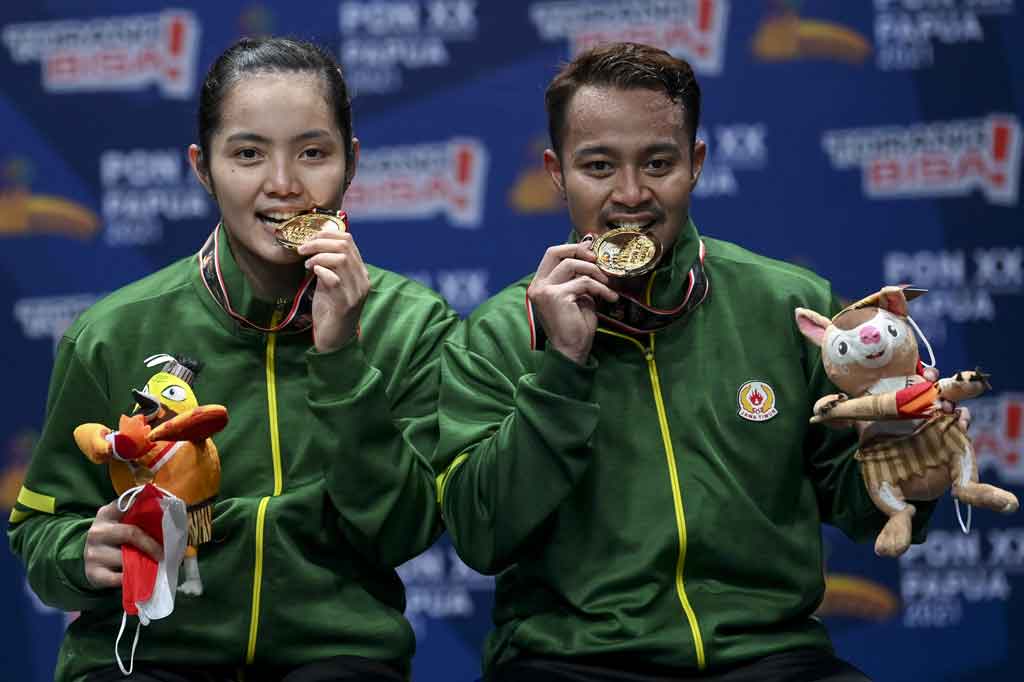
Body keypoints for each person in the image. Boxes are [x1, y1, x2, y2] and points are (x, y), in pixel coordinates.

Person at [433, 42, 937, 682]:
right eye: (598, 166)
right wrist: (562, 365)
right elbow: (482, 537)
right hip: (572, 662)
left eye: (659, 162)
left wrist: (910, 471)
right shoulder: (499, 335)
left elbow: (867, 512)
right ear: (557, 173)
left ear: (695, 163)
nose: (631, 194)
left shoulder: (790, 305)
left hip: (770, 658)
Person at [8, 37, 458, 682]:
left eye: (313, 152)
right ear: (202, 167)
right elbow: (40, 528)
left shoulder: (410, 324)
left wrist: (340, 358)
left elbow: (404, 532)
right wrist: (81, 552)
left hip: (335, 659)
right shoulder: (112, 331)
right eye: (247, 154)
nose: (283, 185)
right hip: (147, 657)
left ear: (351, 162)